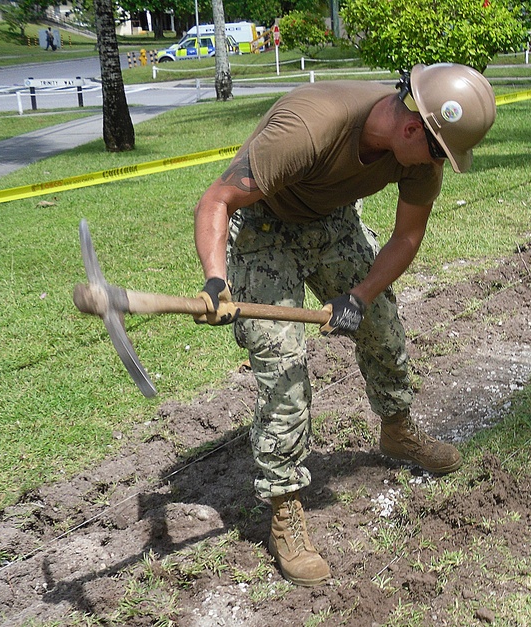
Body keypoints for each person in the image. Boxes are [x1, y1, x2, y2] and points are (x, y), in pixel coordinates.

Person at [192, 63, 497, 586]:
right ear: (410, 128)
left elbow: (406, 239)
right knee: (284, 365)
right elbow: (217, 200)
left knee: (381, 322)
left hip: (331, 220)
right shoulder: (308, 128)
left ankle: (398, 432)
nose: (438, 165)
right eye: (438, 152)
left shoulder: (421, 151)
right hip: (264, 226)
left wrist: (359, 296)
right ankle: (284, 506)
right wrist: (217, 283)